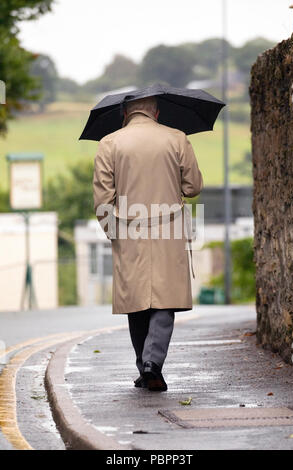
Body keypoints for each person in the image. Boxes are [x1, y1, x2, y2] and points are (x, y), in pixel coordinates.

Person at [93, 96, 203, 391]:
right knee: (164, 300)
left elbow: (103, 200)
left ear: (125, 113)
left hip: (129, 229)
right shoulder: (177, 138)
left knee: (137, 302)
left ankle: (145, 365)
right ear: (156, 111)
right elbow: (193, 187)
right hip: (169, 228)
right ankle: (152, 364)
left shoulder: (109, 143)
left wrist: (113, 232)